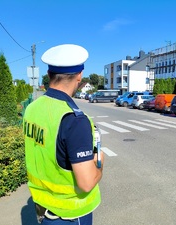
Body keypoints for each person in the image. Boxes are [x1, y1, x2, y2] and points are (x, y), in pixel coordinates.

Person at [23, 44, 104, 225]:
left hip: (42, 207)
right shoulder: (75, 120)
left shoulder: (32, 108)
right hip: (70, 215)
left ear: (49, 74)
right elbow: (86, 182)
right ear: (79, 76)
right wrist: (100, 163)